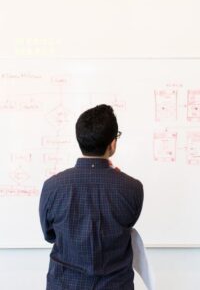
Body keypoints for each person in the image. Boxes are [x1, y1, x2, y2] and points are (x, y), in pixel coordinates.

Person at [39, 104, 144, 290]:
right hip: (116, 285)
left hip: (65, 284)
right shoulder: (133, 188)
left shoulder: (52, 186)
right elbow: (126, 225)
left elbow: (50, 235)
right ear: (112, 143)